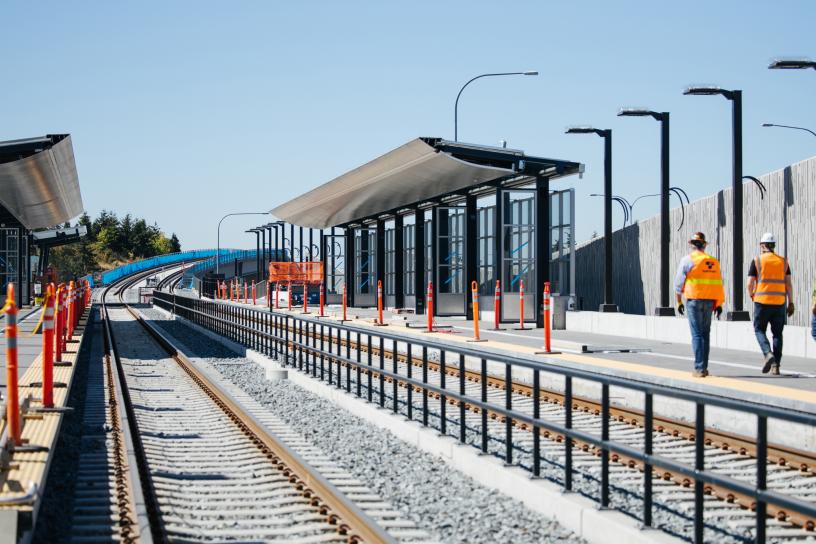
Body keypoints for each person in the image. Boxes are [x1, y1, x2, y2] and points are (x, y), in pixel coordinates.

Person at [674, 232, 725, 378]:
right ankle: (704, 367)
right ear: (704, 245)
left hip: (694, 300)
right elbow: (718, 284)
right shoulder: (714, 261)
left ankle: (699, 368)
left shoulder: (687, 260)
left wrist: (678, 302)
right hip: (710, 301)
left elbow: (678, 284)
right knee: (705, 334)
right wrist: (719, 303)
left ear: (692, 245)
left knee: (696, 334)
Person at [747, 233, 793, 375]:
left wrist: (752, 295)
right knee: (777, 334)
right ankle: (776, 366)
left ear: (762, 245)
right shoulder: (783, 262)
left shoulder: (757, 260)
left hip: (761, 301)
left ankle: (767, 353)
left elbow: (750, 283)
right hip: (779, 303)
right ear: (773, 246)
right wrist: (791, 302)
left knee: (759, 330)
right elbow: (788, 284)